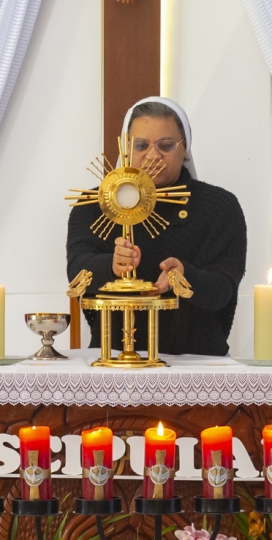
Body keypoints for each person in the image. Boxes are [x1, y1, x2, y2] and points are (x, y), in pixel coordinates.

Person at [66, 97, 247, 357]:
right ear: (125, 148)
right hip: (113, 357)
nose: (152, 155)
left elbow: (223, 290)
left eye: (166, 145)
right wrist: (111, 266)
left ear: (185, 148)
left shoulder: (220, 207)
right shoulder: (93, 205)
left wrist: (186, 276)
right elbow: (77, 274)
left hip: (196, 360)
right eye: (141, 145)